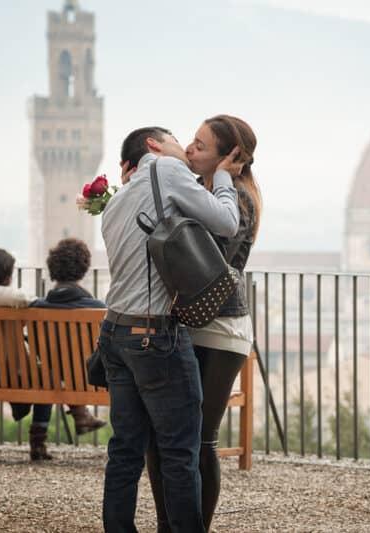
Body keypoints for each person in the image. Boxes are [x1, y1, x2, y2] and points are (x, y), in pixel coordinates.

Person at [99, 126, 242, 532]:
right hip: (155, 334)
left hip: (115, 332)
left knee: (125, 450)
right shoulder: (165, 169)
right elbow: (228, 222)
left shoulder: (117, 201)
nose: (185, 148)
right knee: (180, 451)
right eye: (178, 138)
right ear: (155, 146)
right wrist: (225, 179)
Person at [143, 115, 261, 532]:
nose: (190, 150)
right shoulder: (210, 192)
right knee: (168, 437)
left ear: (230, 158)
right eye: (190, 141)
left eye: (201, 145)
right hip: (195, 325)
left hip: (222, 330)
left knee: (201, 437)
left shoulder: (237, 199)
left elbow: (209, 260)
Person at [0, 246, 107, 462]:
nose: (11, 277)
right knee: (48, 375)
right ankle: (75, 417)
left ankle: (67, 422)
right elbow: (23, 299)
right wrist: (40, 303)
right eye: (9, 273)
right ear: (2, 275)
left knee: (47, 373)